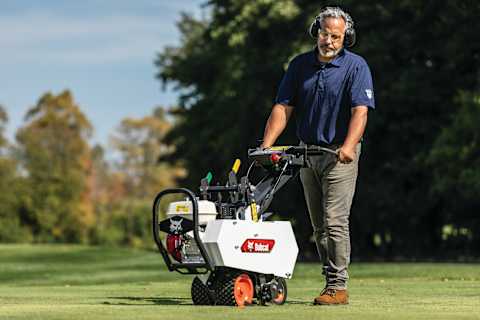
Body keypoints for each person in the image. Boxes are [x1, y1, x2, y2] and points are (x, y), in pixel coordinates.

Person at [260, 6, 375, 305]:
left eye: (336, 36)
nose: (330, 41)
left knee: (335, 221)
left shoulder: (356, 67)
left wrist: (349, 146)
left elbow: (360, 112)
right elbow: (283, 107)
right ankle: (330, 281)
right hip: (306, 155)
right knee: (320, 226)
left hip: (339, 154)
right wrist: (266, 146)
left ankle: (338, 286)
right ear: (316, 32)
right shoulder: (299, 66)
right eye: (325, 34)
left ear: (345, 37)